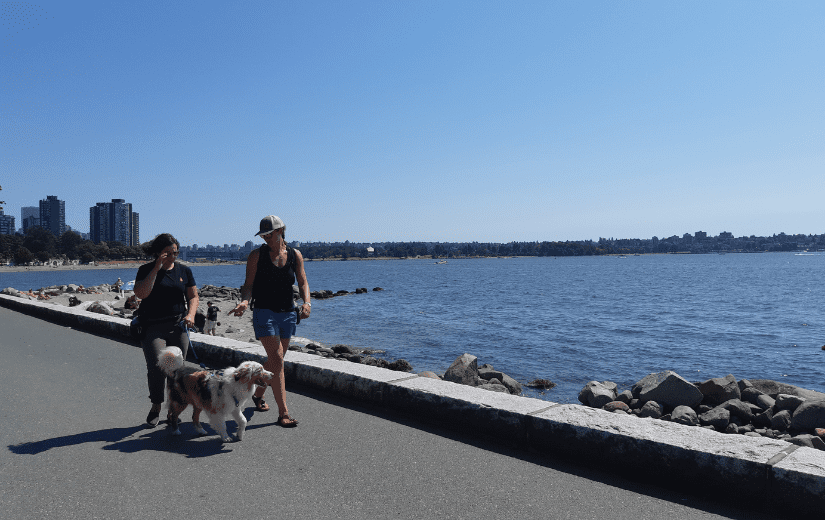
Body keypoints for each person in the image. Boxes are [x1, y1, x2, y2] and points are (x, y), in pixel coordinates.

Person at [229, 215, 310, 428]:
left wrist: (307, 302)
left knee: (274, 362)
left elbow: (302, 281)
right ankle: (284, 413)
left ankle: (257, 394)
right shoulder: (256, 255)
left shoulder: (295, 255)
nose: (265, 237)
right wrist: (245, 301)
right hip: (264, 312)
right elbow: (248, 285)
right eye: (263, 234)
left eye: (269, 233)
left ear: (280, 230)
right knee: (278, 359)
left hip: (288, 313)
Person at [134, 233, 199, 427]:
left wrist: (191, 315)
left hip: (177, 325)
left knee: (177, 370)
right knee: (156, 366)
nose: (173, 257)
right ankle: (156, 405)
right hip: (152, 326)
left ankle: (174, 409)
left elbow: (193, 296)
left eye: (176, 253)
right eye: (168, 253)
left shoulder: (184, 271)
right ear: (158, 253)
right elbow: (141, 294)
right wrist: (156, 268)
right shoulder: (145, 269)